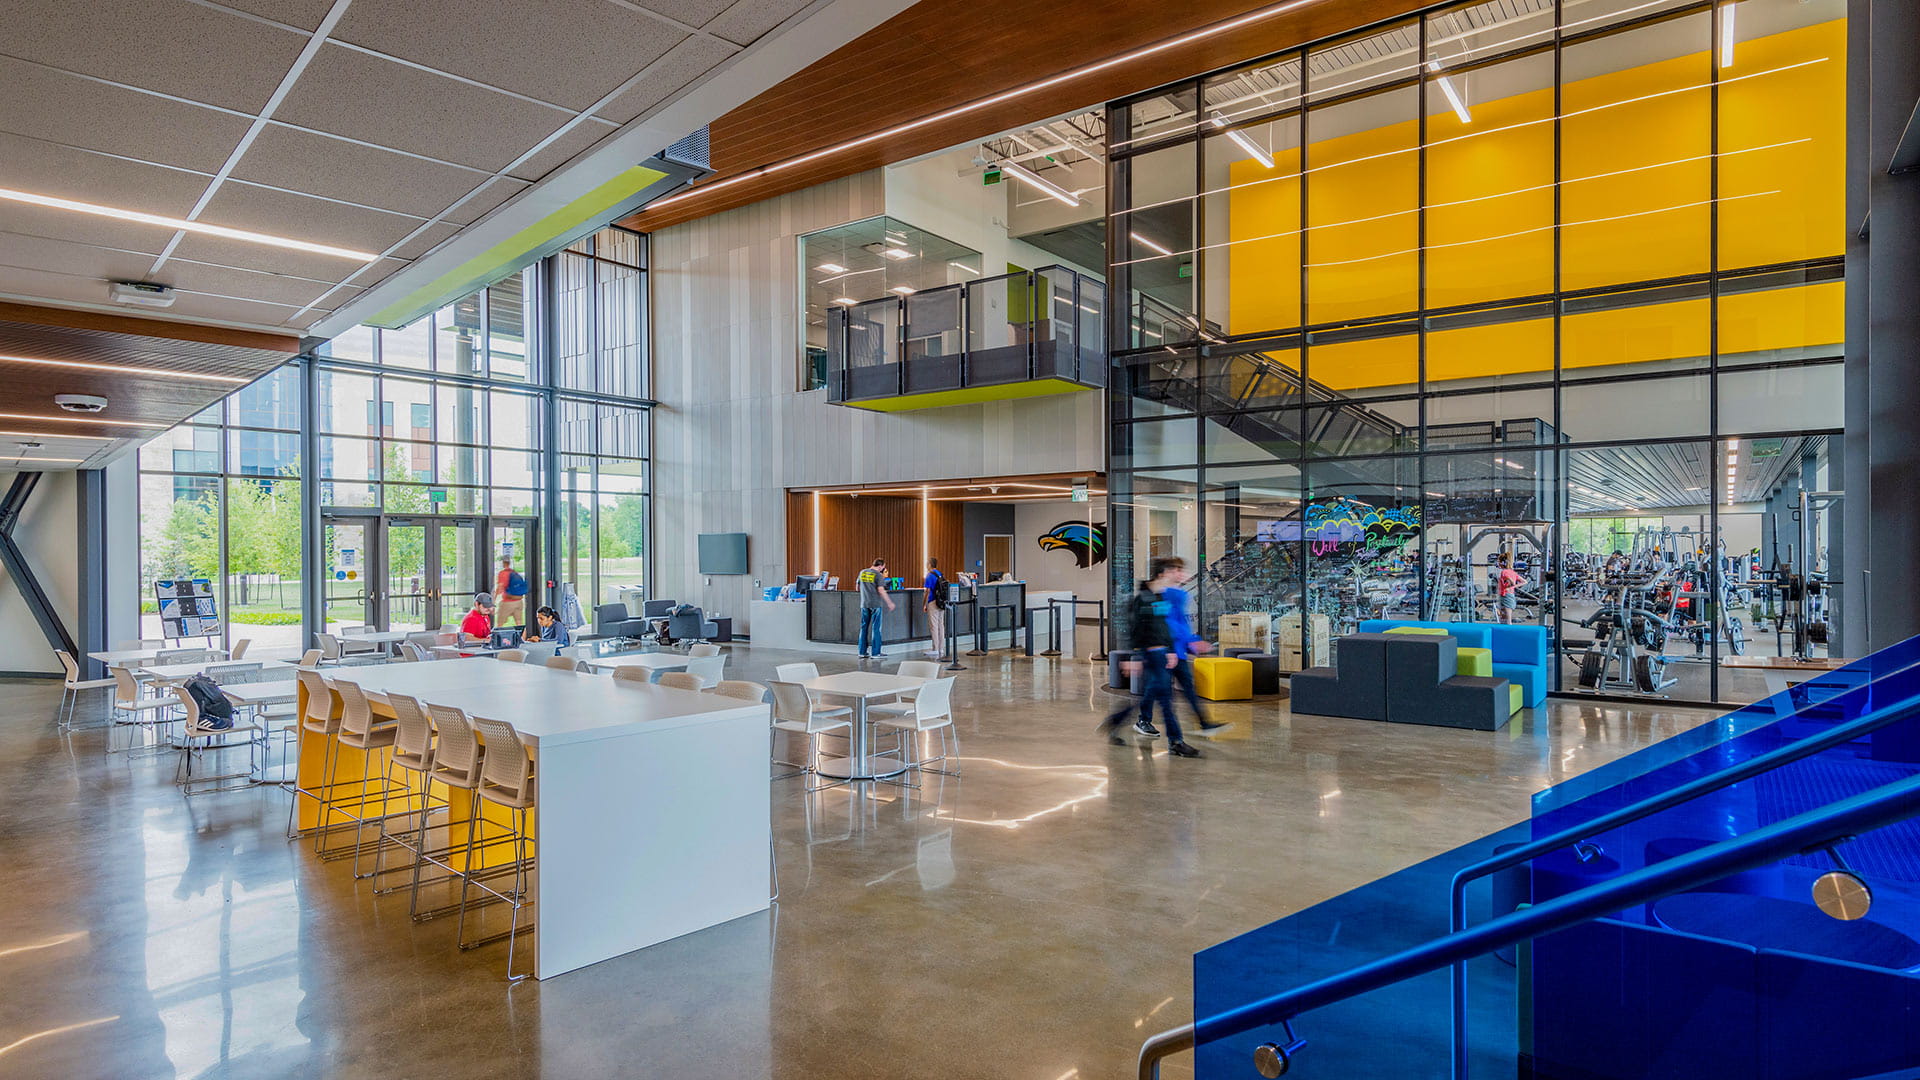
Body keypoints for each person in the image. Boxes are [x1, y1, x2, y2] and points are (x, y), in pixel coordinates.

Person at [1100, 557, 1202, 758]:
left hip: (1162, 654)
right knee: (1165, 700)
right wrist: (1135, 658)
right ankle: (1176, 742)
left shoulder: (1160, 598)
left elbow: (1164, 627)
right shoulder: (1143, 600)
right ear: (1162, 573)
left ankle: (1117, 721)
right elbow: (1135, 630)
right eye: (1174, 571)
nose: (1177, 576)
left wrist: (1171, 650)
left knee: (1160, 698)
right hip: (1150, 656)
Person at [1162, 560, 1228, 739]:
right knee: (1158, 695)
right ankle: (1124, 719)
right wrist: (1189, 641)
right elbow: (1168, 623)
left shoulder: (1178, 594)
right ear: (1167, 572)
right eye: (1176, 570)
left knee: (1188, 690)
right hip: (1166, 653)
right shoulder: (1164, 595)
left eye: (1181, 570)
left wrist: (1191, 641)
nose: (1181, 574)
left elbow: (1181, 622)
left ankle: (1204, 722)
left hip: (1178, 652)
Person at [856, 557, 895, 659]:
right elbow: (881, 590)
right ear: (881, 566)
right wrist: (889, 603)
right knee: (876, 628)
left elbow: (857, 587)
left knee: (864, 627)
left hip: (864, 604)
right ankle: (876, 653)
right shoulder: (878, 575)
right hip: (876, 604)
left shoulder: (862, 572)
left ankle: (862, 652)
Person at [923, 557, 947, 659]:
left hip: (933, 601)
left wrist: (924, 604)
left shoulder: (929, 575)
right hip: (941, 602)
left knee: (933, 625)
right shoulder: (940, 574)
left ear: (929, 564)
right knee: (941, 625)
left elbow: (927, 591)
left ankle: (935, 648)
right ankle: (941, 647)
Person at [495, 557, 529, 628]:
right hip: (519, 602)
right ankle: (521, 638)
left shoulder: (503, 573)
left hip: (508, 602)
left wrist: (493, 599)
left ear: (503, 563)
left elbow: (500, 588)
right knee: (519, 624)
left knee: (499, 624)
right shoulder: (514, 573)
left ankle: (498, 638)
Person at [1493, 551, 1526, 624]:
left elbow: (1510, 581)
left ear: (1502, 562)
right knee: (1504, 617)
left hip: (1505, 595)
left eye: (1499, 562)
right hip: (1510, 595)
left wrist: (1511, 585)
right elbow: (1524, 581)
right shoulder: (1512, 572)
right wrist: (1513, 586)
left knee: (1507, 619)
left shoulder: (1504, 572)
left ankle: (1508, 632)